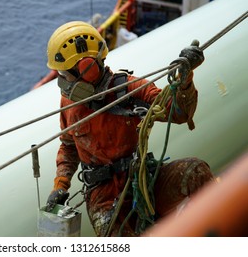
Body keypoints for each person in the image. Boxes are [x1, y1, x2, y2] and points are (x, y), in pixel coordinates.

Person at [45, 21, 215, 237]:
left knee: (196, 172)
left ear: (86, 69)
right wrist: (60, 184)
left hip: (142, 178)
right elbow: (69, 146)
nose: (62, 83)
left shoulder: (129, 90)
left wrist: (184, 80)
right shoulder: (69, 103)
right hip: (103, 197)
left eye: (64, 75)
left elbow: (179, 112)